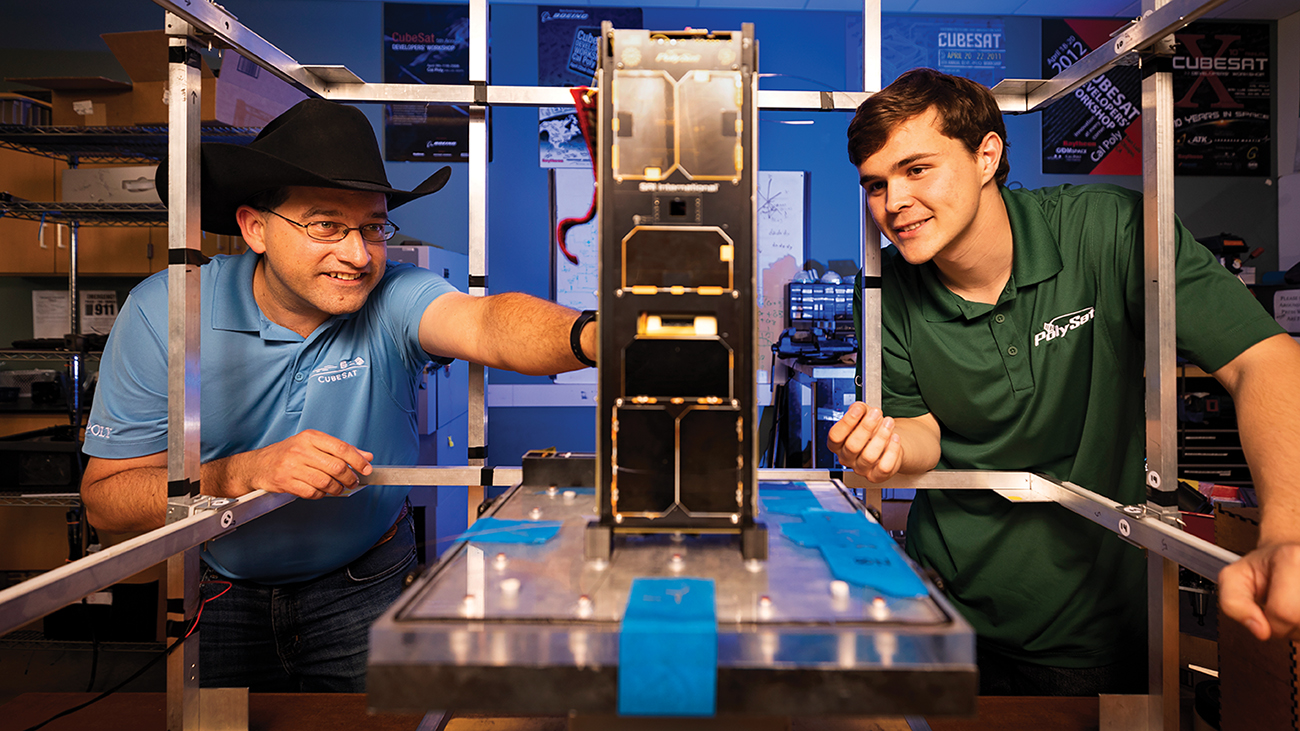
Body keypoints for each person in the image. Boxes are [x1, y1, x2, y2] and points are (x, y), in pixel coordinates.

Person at [79, 99, 597, 692]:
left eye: (373, 228)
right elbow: (107, 505)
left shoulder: (394, 296)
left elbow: (486, 325)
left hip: (367, 584)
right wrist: (241, 473)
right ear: (255, 228)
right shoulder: (166, 312)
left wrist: (598, 334)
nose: (358, 255)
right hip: (217, 592)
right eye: (326, 225)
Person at [828, 68, 1300, 695]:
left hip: (1091, 627)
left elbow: (1260, 357)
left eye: (917, 169)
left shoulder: (1107, 230)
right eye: (876, 184)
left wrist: (1286, 534)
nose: (893, 202)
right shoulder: (888, 292)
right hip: (942, 610)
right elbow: (923, 432)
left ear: (986, 156)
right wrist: (883, 444)